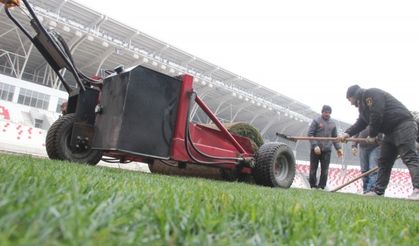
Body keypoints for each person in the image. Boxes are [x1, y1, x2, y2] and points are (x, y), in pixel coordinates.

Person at [339, 85, 419, 200]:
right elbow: (361, 122)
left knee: (409, 157)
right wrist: (347, 133)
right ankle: (378, 191)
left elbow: (377, 114)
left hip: (403, 125)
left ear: (354, 95)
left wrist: (372, 135)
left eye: (349, 99)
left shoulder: (371, 94)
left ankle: (418, 189)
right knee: (384, 161)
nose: (351, 103)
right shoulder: (363, 107)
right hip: (389, 132)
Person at [308, 105, 343, 189]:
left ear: (330, 113)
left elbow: (335, 137)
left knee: (325, 170)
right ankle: (312, 186)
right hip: (315, 150)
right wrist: (315, 145)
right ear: (322, 112)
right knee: (313, 169)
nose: (327, 114)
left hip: (327, 150)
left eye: (328, 112)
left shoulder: (333, 124)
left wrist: (338, 148)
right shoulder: (316, 121)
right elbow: (310, 134)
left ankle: (321, 186)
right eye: (325, 112)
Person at [351, 127, 382, 194]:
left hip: (375, 146)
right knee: (364, 170)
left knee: (373, 169)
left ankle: (371, 190)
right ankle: (365, 190)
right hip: (362, 146)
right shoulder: (363, 119)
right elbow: (356, 130)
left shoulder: (379, 117)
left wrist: (377, 137)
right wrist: (354, 145)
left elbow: (383, 131)